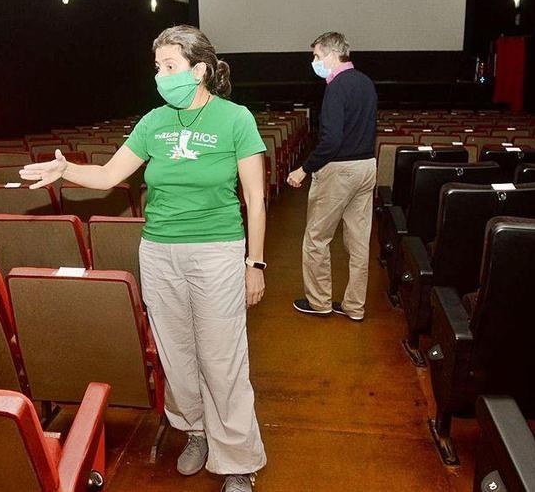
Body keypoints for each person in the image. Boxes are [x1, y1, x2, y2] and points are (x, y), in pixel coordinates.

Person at [20, 25, 267, 492]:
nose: (160, 76)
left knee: (222, 357)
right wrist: (65, 169)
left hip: (216, 251)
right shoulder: (154, 122)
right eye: (157, 67)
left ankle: (236, 459)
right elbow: (111, 175)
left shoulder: (236, 119)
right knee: (176, 354)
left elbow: (255, 198)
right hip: (158, 252)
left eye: (169, 66)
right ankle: (195, 431)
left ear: (199, 71)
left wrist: (255, 264)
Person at [286, 32, 377, 321]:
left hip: (339, 170)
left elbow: (331, 140)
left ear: (330, 54)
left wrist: (303, 169)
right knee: (359, 243)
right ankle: (354, 307)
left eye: (315, 56)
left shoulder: (336, 87)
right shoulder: (365, 82)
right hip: (367, 168)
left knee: (316, 238)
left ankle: (319, 302)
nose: (314, 62)